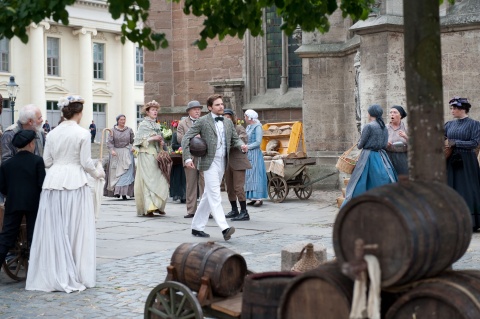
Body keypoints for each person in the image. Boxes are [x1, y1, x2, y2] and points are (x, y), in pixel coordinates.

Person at [26, 95, 105, 293]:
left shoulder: (51, 134)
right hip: (74, 182)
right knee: (75, 229)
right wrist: (98, 173)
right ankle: (76, 272)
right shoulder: (83, 134)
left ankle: (53, 270)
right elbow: (86, 163)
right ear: (79, 113)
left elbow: (47, 161)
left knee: (55, 228)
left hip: (53, 182)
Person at [181, 94, 248, 240]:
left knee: (207, 196)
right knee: (215, 194)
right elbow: (186, 138)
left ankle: (196, 227)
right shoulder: (203, 121)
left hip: (222, 162)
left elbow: (234, 139)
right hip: (208, 162)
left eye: (222, 104)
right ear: (210, 107)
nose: (221, 106)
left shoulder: (228, 122)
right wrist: (186, 158)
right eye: (217, 105)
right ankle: (224, 228)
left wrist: (241, 145)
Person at [0, 130, 45, 266]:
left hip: (13, 203)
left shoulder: (7, 164)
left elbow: (2, 187)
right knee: (33, 236)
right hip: (33, 203)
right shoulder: (37, 161)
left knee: (6, 237)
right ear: (31, 144)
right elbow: (41, 183)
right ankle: (35, 269)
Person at [342, 104, 398, 206]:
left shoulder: (368, 126)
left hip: (368, 157)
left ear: (370, 113)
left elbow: (360, 145)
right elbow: (385, 144)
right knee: (382, 179)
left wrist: (360, 143)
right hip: (382, 157)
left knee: (360, 182)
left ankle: (356, 205)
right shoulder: (384, 127)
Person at [445, 97, 480, 231]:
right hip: (451, 160)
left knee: (468, 189)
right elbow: (442, 138)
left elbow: (475, 143)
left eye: (454, 108)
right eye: (452, 108)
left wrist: (455, 143)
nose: (452, 111)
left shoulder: (475, 124)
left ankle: (471, 221)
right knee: (452, 188)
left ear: (463, 109)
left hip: (467, 161)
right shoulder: (449, 124)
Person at [133, 100, 169, 217]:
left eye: (156, 110)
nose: (155, 112)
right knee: (149, 180)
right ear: (147, 112)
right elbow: (137, 142)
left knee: (161, 179)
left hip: (157, 155)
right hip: (146, 154)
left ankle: (158, 205)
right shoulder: (143, 124)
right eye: (153, 110)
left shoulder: (157, 124)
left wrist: (161, 142)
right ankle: (149, 207)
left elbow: (159, 139)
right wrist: (152, 138)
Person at [177, 100, 205, 218]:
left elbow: (212, 136)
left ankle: (205, 210)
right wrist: (194, 137)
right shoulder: (182, 123)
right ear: (189, 111)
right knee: (191, 184)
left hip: (204, 156)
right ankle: (191, 211)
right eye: (195, 109)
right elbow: (180, 139)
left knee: (205, 183)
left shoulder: (205, 122)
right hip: (190, 155)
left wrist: (202, 137)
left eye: (199, 109)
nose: (197, 111)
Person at [223, 109, 252, 221]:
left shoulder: (239, 128)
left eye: (228, 117)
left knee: (238, 187)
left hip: (238, 161)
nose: (226, 119)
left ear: (232, 118)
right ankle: (234, 210)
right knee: (229, 188)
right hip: (227, 162)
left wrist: (229, 141)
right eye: (224, 117)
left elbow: (243, 139)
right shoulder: (222, 130)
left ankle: (244, 212)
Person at [104, 114, 135, 200]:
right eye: (121, 120)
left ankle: (125, 193)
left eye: (124, 119)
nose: (123, 121)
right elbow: (109, 142)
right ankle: (117, 192)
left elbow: (133, 141)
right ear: (118, 120)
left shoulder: (129, 130)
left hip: (126, 153)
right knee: (117, 174)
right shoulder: (112, 130)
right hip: (116, 153)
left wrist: (133, 147)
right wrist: (112, 150)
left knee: (126, 173)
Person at [244, 109, 268, 207]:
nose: (244, 118)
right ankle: (252, 197)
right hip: (248, 153)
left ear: (250, 117)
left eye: (245, 116)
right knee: (249, 175)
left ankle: (258, 198)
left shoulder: (258, 127)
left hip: (255, 153)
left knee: (256, 174)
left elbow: (258, 142)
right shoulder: (249, 127)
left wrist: (248, 146)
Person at [386, 105, 409, 175]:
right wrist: (385, 143)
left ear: (400, 116)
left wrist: (406, 137)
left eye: (395, 112)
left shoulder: (406, 128)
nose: (392, 114)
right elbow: (378, 142)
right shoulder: (384, 128)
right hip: (387, 156)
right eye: (390, 112)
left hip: (402, 157)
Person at [169, 131, 186, 203]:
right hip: (178, 159)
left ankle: (186, 195)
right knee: (178, 178)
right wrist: (181, 147)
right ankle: (179, 195)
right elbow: (173, 145)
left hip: (188, 159)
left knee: (186, 179)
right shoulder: (176, 134)